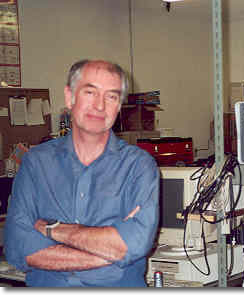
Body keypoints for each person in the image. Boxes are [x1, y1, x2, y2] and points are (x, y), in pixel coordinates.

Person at [4, 60, 160, 287]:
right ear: (70, 97)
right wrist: (110, 253)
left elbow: (134, 244)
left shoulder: (139, 166)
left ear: (118, 107)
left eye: (112, 96)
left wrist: (52, 230)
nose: (99, 106)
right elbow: (19, 248)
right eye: (90, 92)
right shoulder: (36, 163)